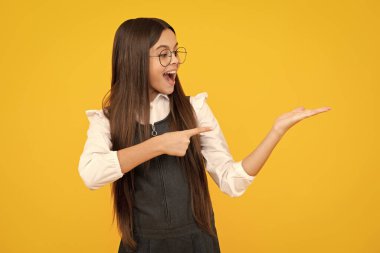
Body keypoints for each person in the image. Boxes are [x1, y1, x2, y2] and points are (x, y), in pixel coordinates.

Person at [78, 17, 332, 253]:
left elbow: (232, 181)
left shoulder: (195, 109)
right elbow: (91, 174)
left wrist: (276, 131)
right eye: (164, 54)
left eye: (175, 52)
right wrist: (158, 145)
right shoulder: (106, 121)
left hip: (198, 244)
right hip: (141, 246)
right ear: (134, 60)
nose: (175, 60)